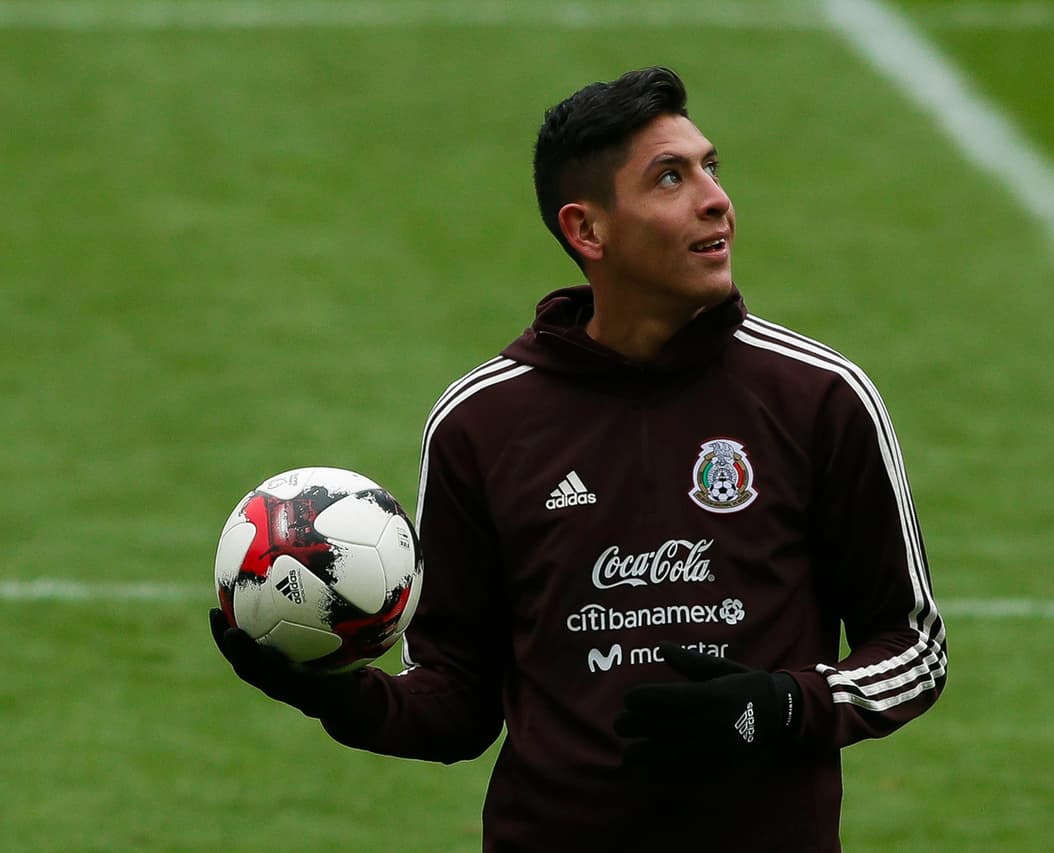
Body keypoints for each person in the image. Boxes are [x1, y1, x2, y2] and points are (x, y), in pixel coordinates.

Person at [211, 66, 947, 852]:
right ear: (587, 231)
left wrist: (781, 703)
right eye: (671, 177)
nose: (715, 199)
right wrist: (330, 694)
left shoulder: (818, 397)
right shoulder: (483, 423)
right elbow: (457, 701)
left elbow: (914, 649)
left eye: (711, 167)